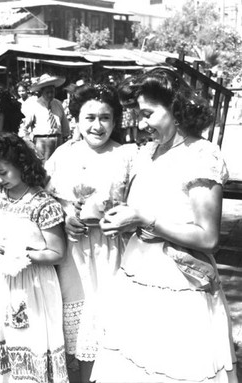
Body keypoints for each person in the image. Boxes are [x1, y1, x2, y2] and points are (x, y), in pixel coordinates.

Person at [92, 68, 237, 382]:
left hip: (180, 282)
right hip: (137, 273)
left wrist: (146, 220)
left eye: (148, 114)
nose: (142, 124)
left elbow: (209, 238)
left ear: (176, 107)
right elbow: (143, 212)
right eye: (138, 115)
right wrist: (123, 218)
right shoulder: (149, 153)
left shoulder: (201, 155)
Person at [44, 83, 134, 382]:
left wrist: (121, 217)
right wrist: (66, 214)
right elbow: (45, 198)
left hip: (113, 251)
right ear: (77, 120)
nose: (97, 126)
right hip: (73, 253)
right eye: (90, 118)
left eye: (105, 117)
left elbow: (140, 203)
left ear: (116, 120)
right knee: (78, 325)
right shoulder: (62, 155)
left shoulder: (127, 155)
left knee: (110, 325)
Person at [0, 133, 68, 382]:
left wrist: (22, 255)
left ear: (22, 165)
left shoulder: (42, 204)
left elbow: (57, 253)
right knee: (7, 342)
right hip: (1, 283)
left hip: (32, 286)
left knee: (31, 342)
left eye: (3, 172)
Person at [22, 73, 70, 162]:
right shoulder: (34, 105)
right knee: (44, 167)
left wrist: (65, 139)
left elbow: (65, 125)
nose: (50, 95)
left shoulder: (58, 104)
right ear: (41, 92)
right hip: (42, 141)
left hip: (58, 140)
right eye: (47, 92)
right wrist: (29, 142)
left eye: (52, 92)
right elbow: (23, 127)